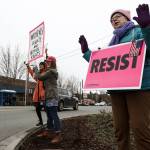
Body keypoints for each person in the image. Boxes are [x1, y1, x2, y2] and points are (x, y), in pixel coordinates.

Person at [79, 4, 150, 150]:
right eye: (111, 19)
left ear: (127, 18)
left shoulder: (137, 32)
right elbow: (102, 65)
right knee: (120, 130)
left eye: (117, 16)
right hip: (117, 90)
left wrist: (147, 27)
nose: (114, 20)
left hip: (139, 87)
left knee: (141, 130)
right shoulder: (113, 42)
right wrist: (87, 52)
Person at [35, 56, 62, 144]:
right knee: (49, 116)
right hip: (49, 95)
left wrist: (36, 69)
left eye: (49, 62)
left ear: (53, 63)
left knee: (54, 115)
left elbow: (40, 77)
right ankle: (48, 131)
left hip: (52, 96)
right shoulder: (49, 71)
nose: (47, 63)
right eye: (47, 61)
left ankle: (58, 135)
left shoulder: (51, 71)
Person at [26, 61, 46, 126]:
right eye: (39, 65)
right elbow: (32, 74)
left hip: (43, 95)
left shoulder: (45, 73)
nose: (40, 66)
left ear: (44, 66)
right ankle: (41, 121)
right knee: (37, 109)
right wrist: (28, 67)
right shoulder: (38, 73)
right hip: (37, 94)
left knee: (46, 109)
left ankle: (50, 122)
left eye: (41, 65)